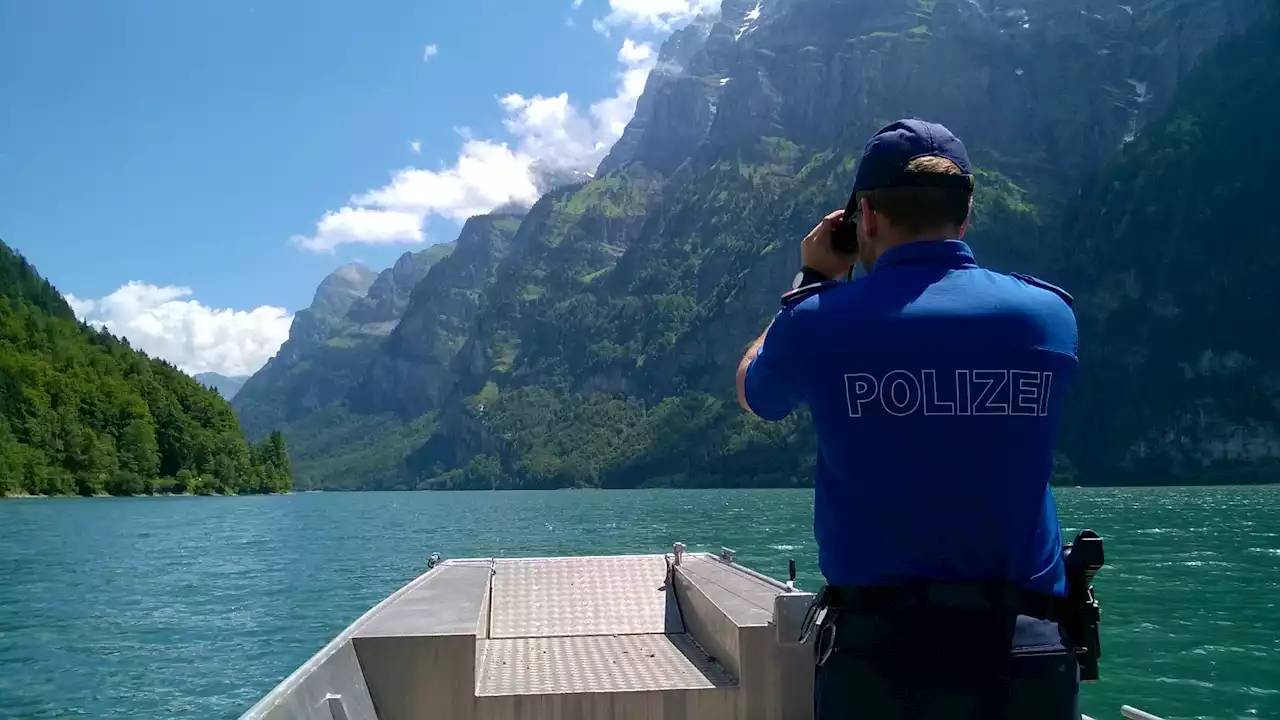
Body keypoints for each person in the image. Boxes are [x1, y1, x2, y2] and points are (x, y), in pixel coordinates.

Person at [734, 118, 1082, 719]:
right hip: (1024, 652)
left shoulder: (818, 320)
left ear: (863, 218)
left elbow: (754, 391)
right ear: (965, 213)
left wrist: (814, 278)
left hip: (881, 661)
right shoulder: (1047, 317)